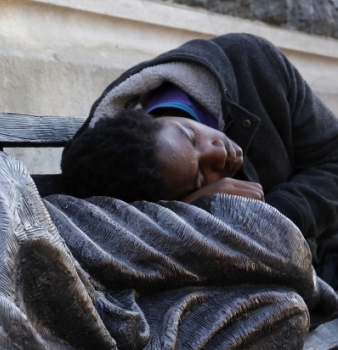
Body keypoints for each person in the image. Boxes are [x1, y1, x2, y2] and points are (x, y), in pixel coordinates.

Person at [59, 33, 338, 285]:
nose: (218, 152)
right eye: (201, 177)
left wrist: (275, 213)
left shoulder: (251, 62)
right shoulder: (122, 182)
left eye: (191, 136)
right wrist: (198, 214)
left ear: (149, 115)